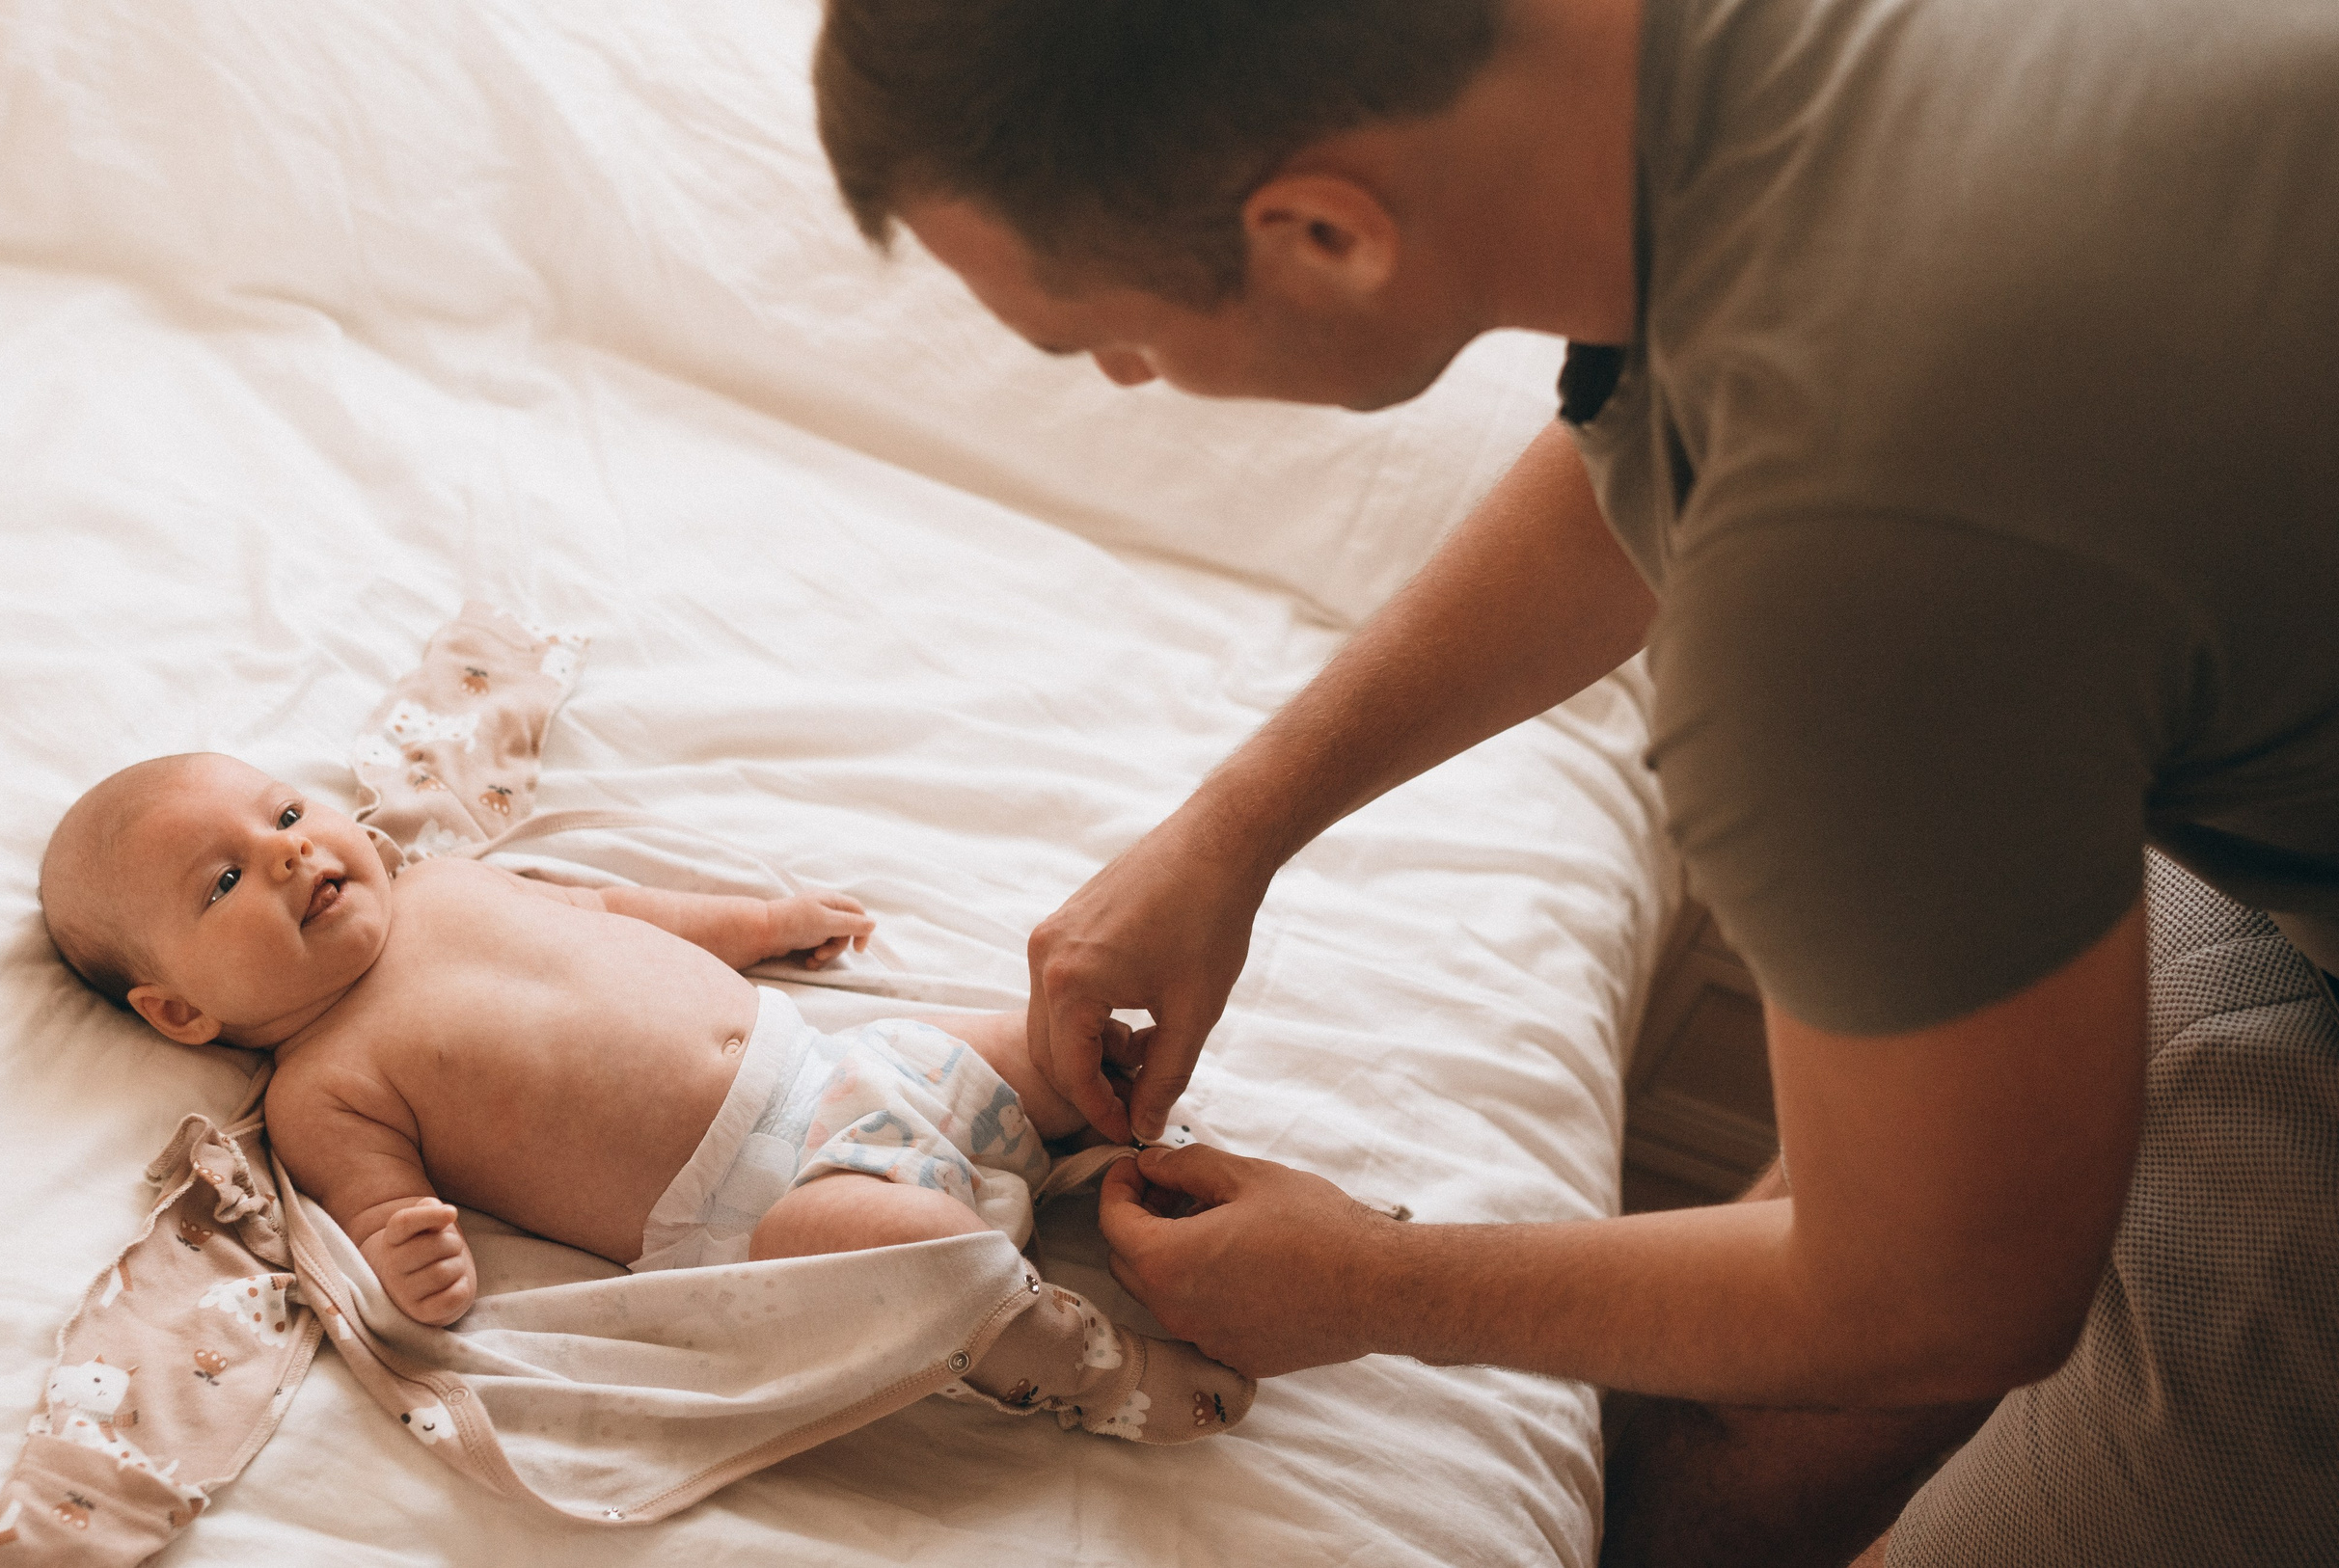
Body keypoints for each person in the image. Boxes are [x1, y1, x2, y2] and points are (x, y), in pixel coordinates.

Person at [811, 0, 2339, 1562]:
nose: (1129, 379)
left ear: (1327, 234)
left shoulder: (1845, 576)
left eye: (1104, 342)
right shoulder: (1730, 103)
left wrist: (1378, 1287)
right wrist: (1235, 829)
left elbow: (1947, 1299)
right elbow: (1674, 421)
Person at [36, 751, 1253, 1445]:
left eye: (287, 812)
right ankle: (1095, 1370)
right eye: (227, 879)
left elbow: (627, 915)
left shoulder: (455, 882)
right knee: (905, 1256)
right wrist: (413, 1260)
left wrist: (764, 924)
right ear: (180, 1014)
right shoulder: (321, 1087)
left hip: (849, 1068)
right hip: (771, 1210)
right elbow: (383, 1217)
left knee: (1025, 1046)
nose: (293, 852)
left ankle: (1151, 1142)